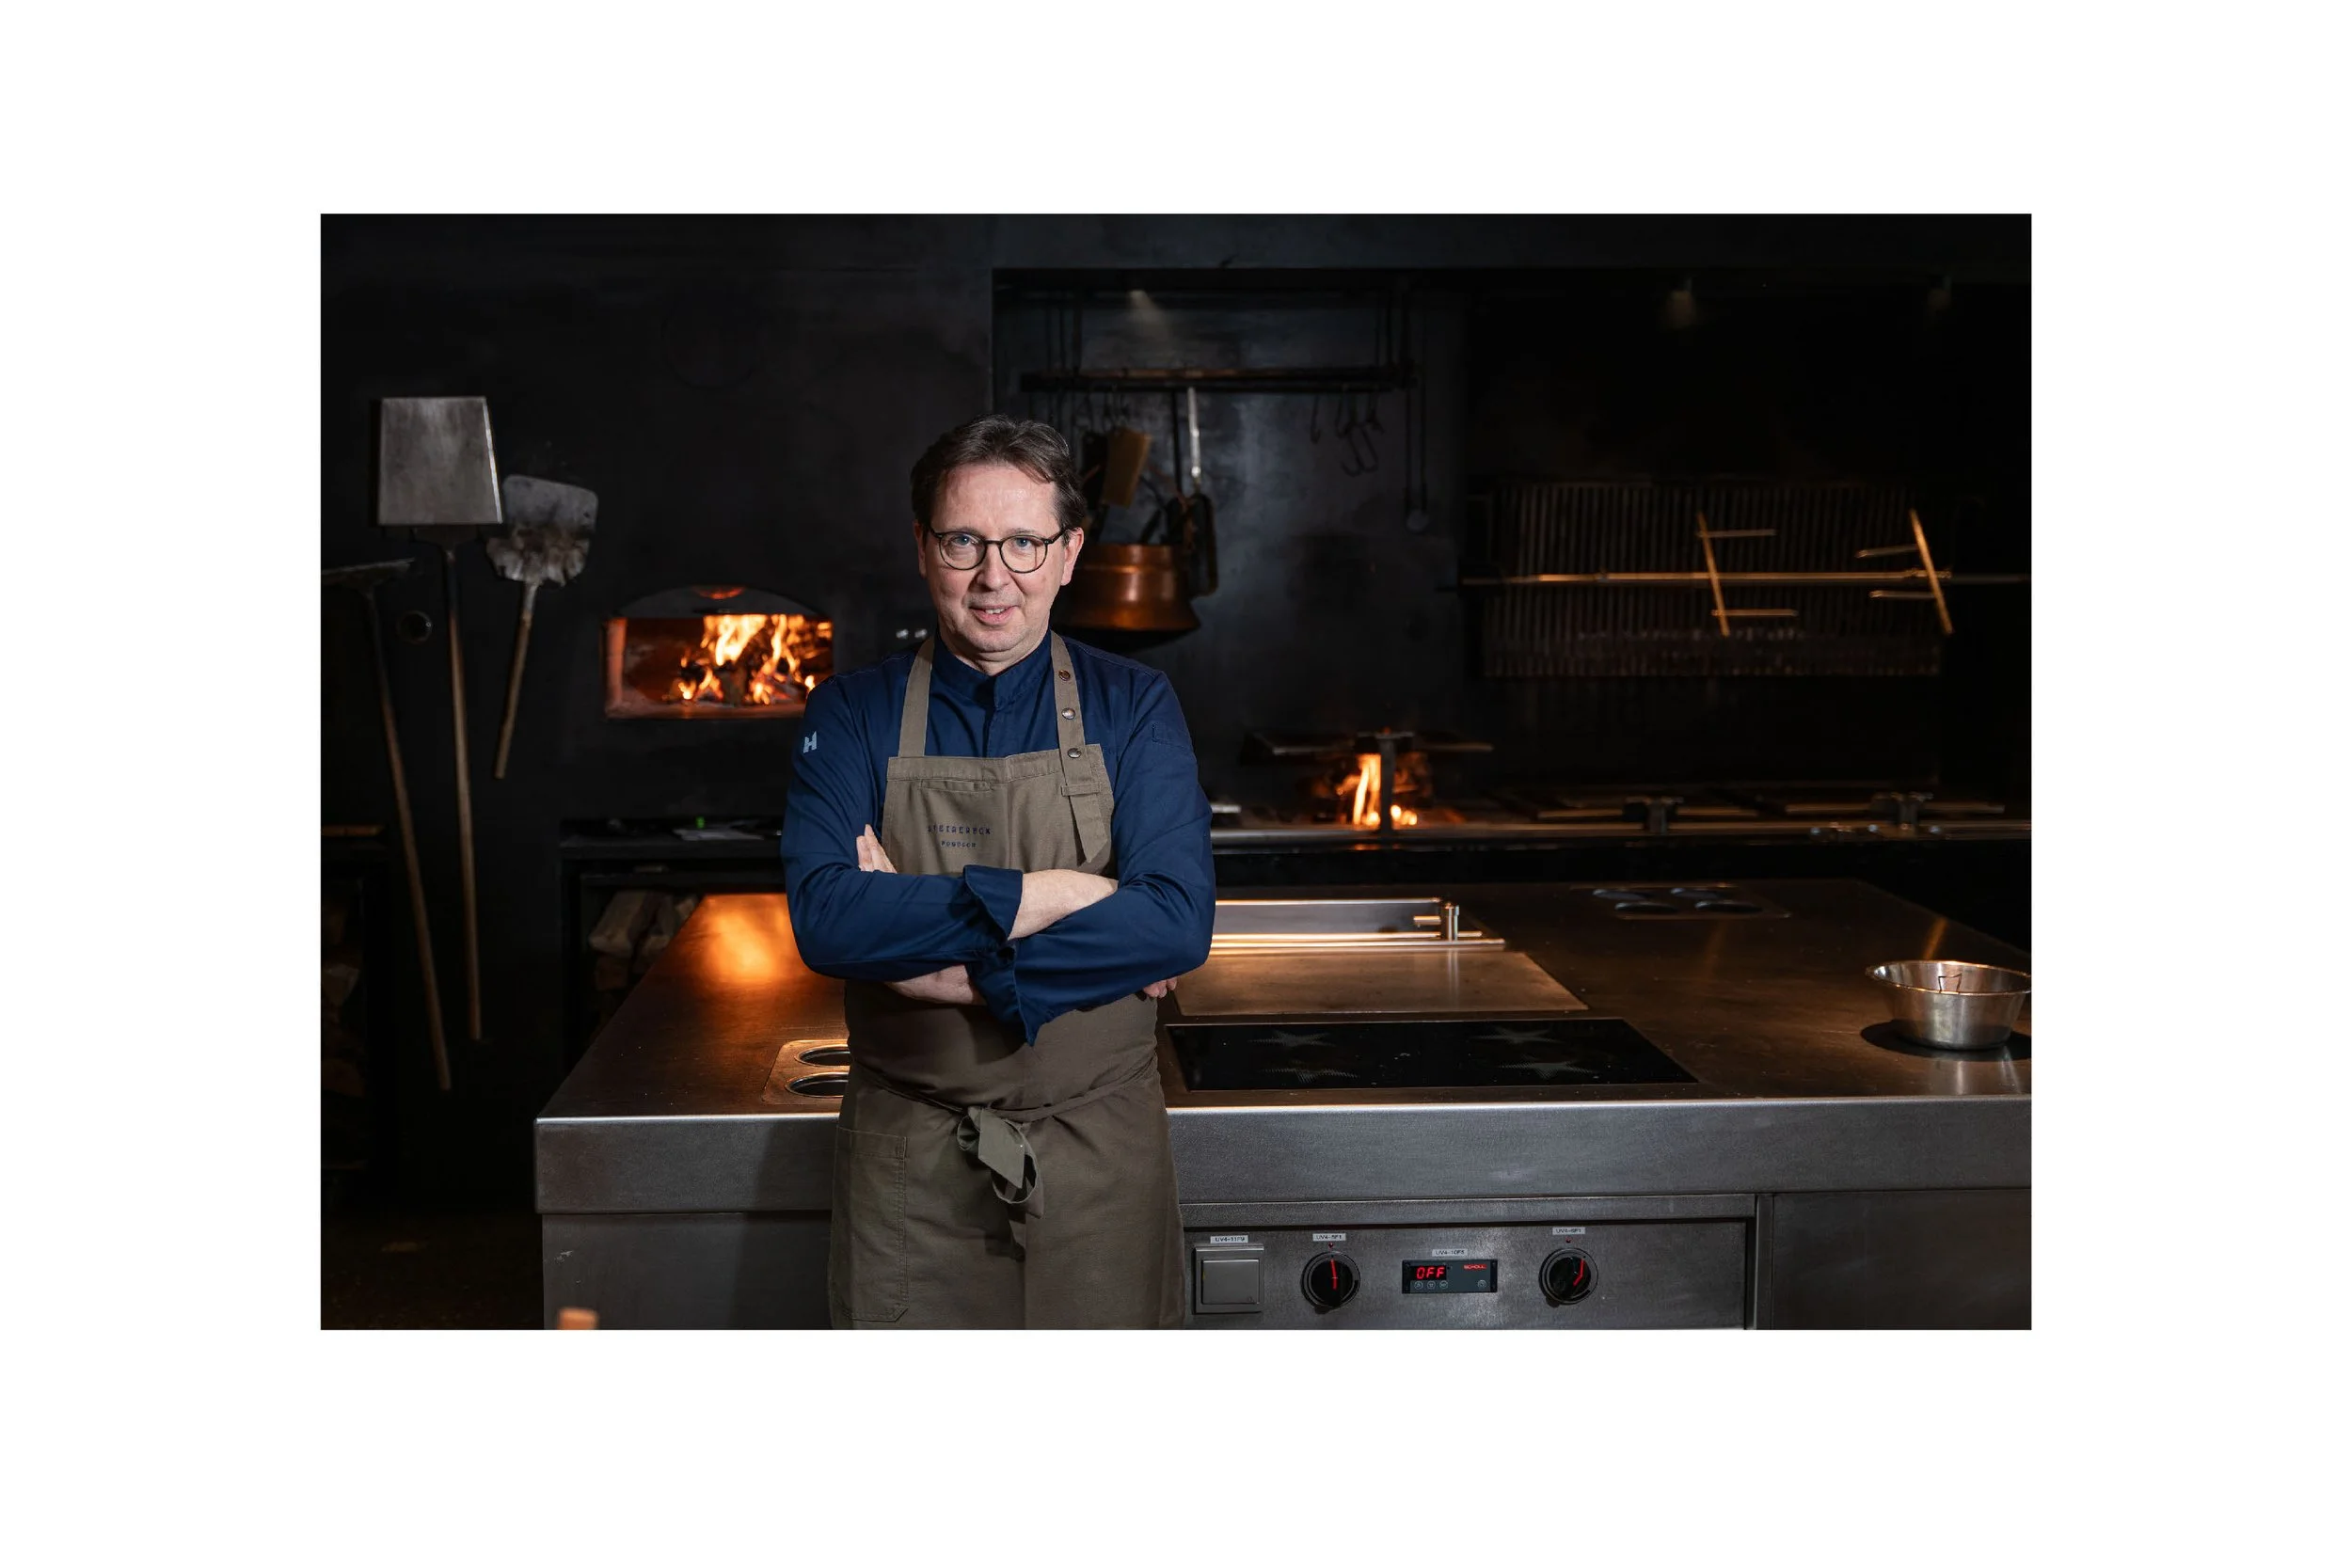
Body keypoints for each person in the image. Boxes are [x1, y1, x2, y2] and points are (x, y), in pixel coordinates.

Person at [780, 415, 1215, 1329]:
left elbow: (1174, 923)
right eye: (964, 541)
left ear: (1069, 553)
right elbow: (829, 919)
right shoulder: (850, 712)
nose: (993, 575)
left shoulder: (1135, 703)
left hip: (1100, 1155)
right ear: (923, 547)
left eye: (1024, 542)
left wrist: (947, 972)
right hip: (909, 1165)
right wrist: (1061, 895)